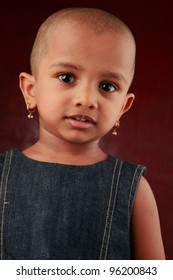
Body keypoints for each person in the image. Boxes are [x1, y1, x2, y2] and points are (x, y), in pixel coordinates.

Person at [0, 7, 165, 260]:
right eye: (66, 77)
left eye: (107, 86)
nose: (87, 99)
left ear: (123, 106)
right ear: (31, 90)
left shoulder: (134, 188)